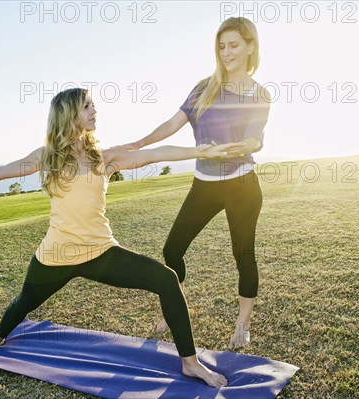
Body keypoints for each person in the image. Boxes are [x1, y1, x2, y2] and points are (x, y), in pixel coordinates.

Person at [0, 88, 234, 387]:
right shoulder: (47, 157)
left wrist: (201, 151)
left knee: (166, 280)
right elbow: (4, 171)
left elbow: (153, 154)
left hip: (100, 252)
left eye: (93, 105)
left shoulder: (102, 157)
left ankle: (190, 364)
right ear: (68, 115)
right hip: (56, 255)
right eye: (87, 106)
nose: (94, 111)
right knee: (25, 302)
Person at [117, 17, 271, 350]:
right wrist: (140, 143)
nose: (226, 52)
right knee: (173, 248)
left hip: (242, 183)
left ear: (250, 46)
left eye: (233, 45)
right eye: (221, 46)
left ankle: (243, 324)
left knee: (243, 253)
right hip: (204, 184)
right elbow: (173, 123)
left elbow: (255, 140)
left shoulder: (259, 94)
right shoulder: (204, 87)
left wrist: (239, 147)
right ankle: (176, 308)